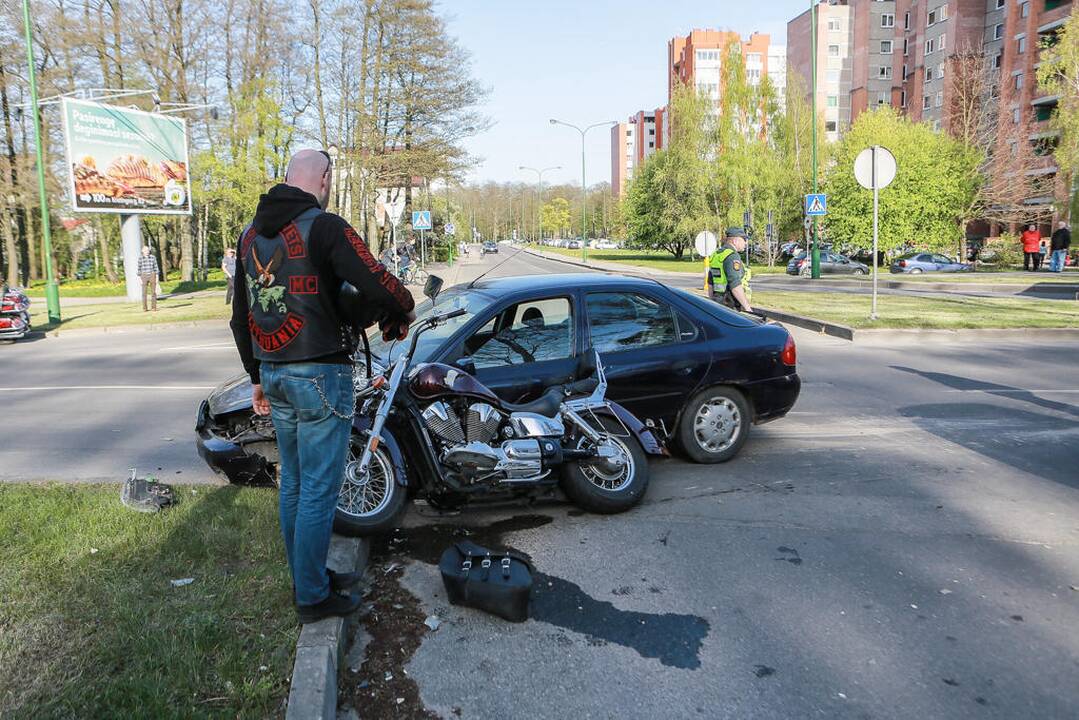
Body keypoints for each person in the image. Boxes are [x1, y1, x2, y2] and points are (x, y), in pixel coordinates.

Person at [230, 148, 416, 624]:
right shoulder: (325, 226)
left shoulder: (249, 236)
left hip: (275, 372)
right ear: (326, 178)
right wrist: (405, 305)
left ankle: (307, 578)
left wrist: (256, 377)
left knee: (292, 483)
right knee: (317, 489)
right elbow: (375, 280)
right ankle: (312, 596)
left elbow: (240, 316)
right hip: (319, 375)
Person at [706, 227, 753, 313]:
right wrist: (748, 308)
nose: (746, 243)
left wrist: (712, 303)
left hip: (717, 303)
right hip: (730, 305)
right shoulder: (732, 256)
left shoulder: (716, 254)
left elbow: (710, 283)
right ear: (735, 241)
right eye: (744, 240)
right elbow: (735, 285)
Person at [137, 245, 159, 312]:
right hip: (144, 275)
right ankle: (145, 308)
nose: (147, 251)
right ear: (142, 251)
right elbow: (139, 269)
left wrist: (157, 277)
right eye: (145, 250)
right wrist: (139, 279)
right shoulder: (140, 258)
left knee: (153, 292)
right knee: (144, 293)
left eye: (148, 250)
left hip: (152, 275)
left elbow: (156, 267)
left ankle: (154, 307)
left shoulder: (153, 257)